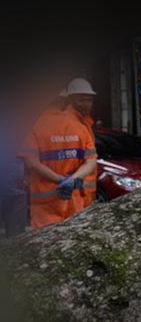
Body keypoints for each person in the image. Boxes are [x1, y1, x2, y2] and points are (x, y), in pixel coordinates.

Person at [20, 79, 98, 229]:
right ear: (67, 100)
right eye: (82, 100)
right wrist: (71, 180)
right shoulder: (78, 125)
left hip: (48, 204)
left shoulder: (33, 125)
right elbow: (91, 161)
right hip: (75, 198)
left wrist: (62, 180)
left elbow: (31, 162)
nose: (87, 104)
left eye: (89, 100)